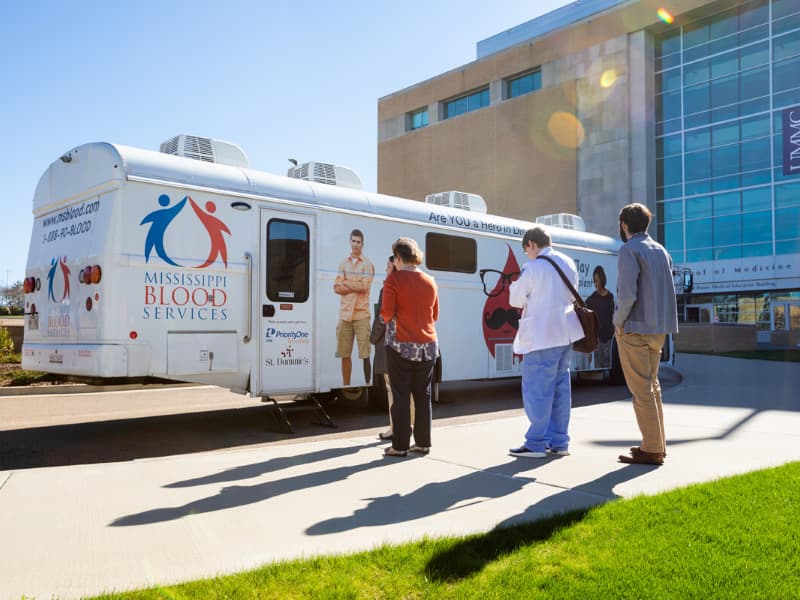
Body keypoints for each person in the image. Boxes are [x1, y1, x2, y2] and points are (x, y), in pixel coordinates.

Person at [508, 226, 584, 458]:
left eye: (526, 250)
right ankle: (559, 442)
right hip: (565, 333)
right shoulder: (568, 263)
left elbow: (515, 299)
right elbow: (572, 295)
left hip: (541, 335)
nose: (527, 254)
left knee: (537, 390)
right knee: (561, 389)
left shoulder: (532, 267)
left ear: (531, 244)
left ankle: (536, 443)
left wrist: (515, 286)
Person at [613, 203, 678, 466]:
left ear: (624, 225)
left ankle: (652, 449)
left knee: (642, 392)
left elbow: (627, 294)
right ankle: (657, 445)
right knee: (653, 388)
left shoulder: (629, 250)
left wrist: (618, 321)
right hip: (659, 329)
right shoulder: (661, 250)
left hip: (635, 328)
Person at [380, 237, 439, 457]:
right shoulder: (430, 280)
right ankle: (423, 443)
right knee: (423, 396)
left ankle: (400, 445)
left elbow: (386, 314)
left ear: (398, 257)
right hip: (428, 346)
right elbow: (435, 315)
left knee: (401, 395)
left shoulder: (393, 280)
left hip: (400, 345)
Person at [370, 255, 414, 440]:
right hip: (407, 343)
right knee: (407, 389)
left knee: (391, 389)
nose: (387, 268)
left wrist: (372, 338)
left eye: (389, 265)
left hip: (388, 344)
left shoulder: (387, 288)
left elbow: (382, 318)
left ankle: (395, 427)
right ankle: (410, 425)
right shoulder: (408, 288)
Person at [333, 229, 375, 386]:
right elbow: (336, 288)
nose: (355, 244)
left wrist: (346, 283)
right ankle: (346, 385)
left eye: (358, 241)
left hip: (361, 315)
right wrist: (352, 285)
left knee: (365, 354)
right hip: (345, 315)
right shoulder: (343, 263)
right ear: (350, 242)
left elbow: (364, 287)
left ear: (362, 244)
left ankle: (367, 384)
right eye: (353, 241)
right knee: (345, 355)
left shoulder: (368, 264)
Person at [585, 266, 615, 370]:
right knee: (599, 367)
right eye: (594, 281)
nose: (596, 284)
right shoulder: (593, 298)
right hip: (598, 340)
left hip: (609, 339)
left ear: (602, 279)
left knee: (607, 366)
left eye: (597, 281)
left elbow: (612, 316)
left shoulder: (610, 296)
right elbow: (584, 308)